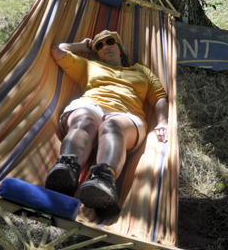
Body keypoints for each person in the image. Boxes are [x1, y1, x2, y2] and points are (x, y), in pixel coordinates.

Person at [46, 30, 169, 215]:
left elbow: (159, 97)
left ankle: (103, 182)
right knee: (85, 119)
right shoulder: (89, 66)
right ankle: (66, 171)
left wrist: (163, 122)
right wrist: (81, 46)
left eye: (109, 42)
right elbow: (58, 51)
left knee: (112, 126)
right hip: (91, 105)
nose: (105, 47)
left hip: (127, 114)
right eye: (99, 46)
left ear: (119, 47)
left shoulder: (141, 71)